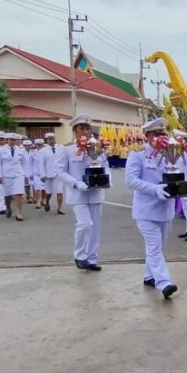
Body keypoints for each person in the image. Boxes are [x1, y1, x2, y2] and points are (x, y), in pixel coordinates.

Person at [125, 118, 179, 297]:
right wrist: (154, 189)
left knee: (158, 247)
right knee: (154, 246)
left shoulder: (169, 152)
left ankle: (149, 276)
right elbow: (131, 180)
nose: (161, 137)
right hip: (146, 210)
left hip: (165, 209)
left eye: (163, 134)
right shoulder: (138, 154)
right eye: (157, 134)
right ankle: (164, 283)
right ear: (147, 135)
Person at [56, 114, 109, 271]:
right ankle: (79, 255)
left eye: (87, 128)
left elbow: (105, 166)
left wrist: (107, 181)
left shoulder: (98, 147)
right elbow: (59, 172)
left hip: (96, 193)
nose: (85, 131)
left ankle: (91, 258)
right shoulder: (66, 149)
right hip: (78, 193)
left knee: (95, 227)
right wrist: (76, 183)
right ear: (74, 130)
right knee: (85, 224)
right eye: (81, 128)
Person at [0, 134, 27, 221]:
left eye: (14, 140)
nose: (13, 142)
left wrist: (26, 175)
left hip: (18, 174)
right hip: (6, 174)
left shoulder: (21, 150)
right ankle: (8, 207)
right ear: (7, 140)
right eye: (11, 140)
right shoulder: (0, 150)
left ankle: (19, 212)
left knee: (19, 193)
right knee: (8, 195)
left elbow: (25, 163)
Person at [40, 133, 64, 214]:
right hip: (48, 174)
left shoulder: (60, 148)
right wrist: (42, 175)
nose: (52, 140)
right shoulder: (42, 151)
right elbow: (41, 164)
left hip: (59, 173)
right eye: (50, 139)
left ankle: (59, 208)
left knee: (59, 191)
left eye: (53, 139)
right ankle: (47, 202)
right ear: (46, 140)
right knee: (49, 192)